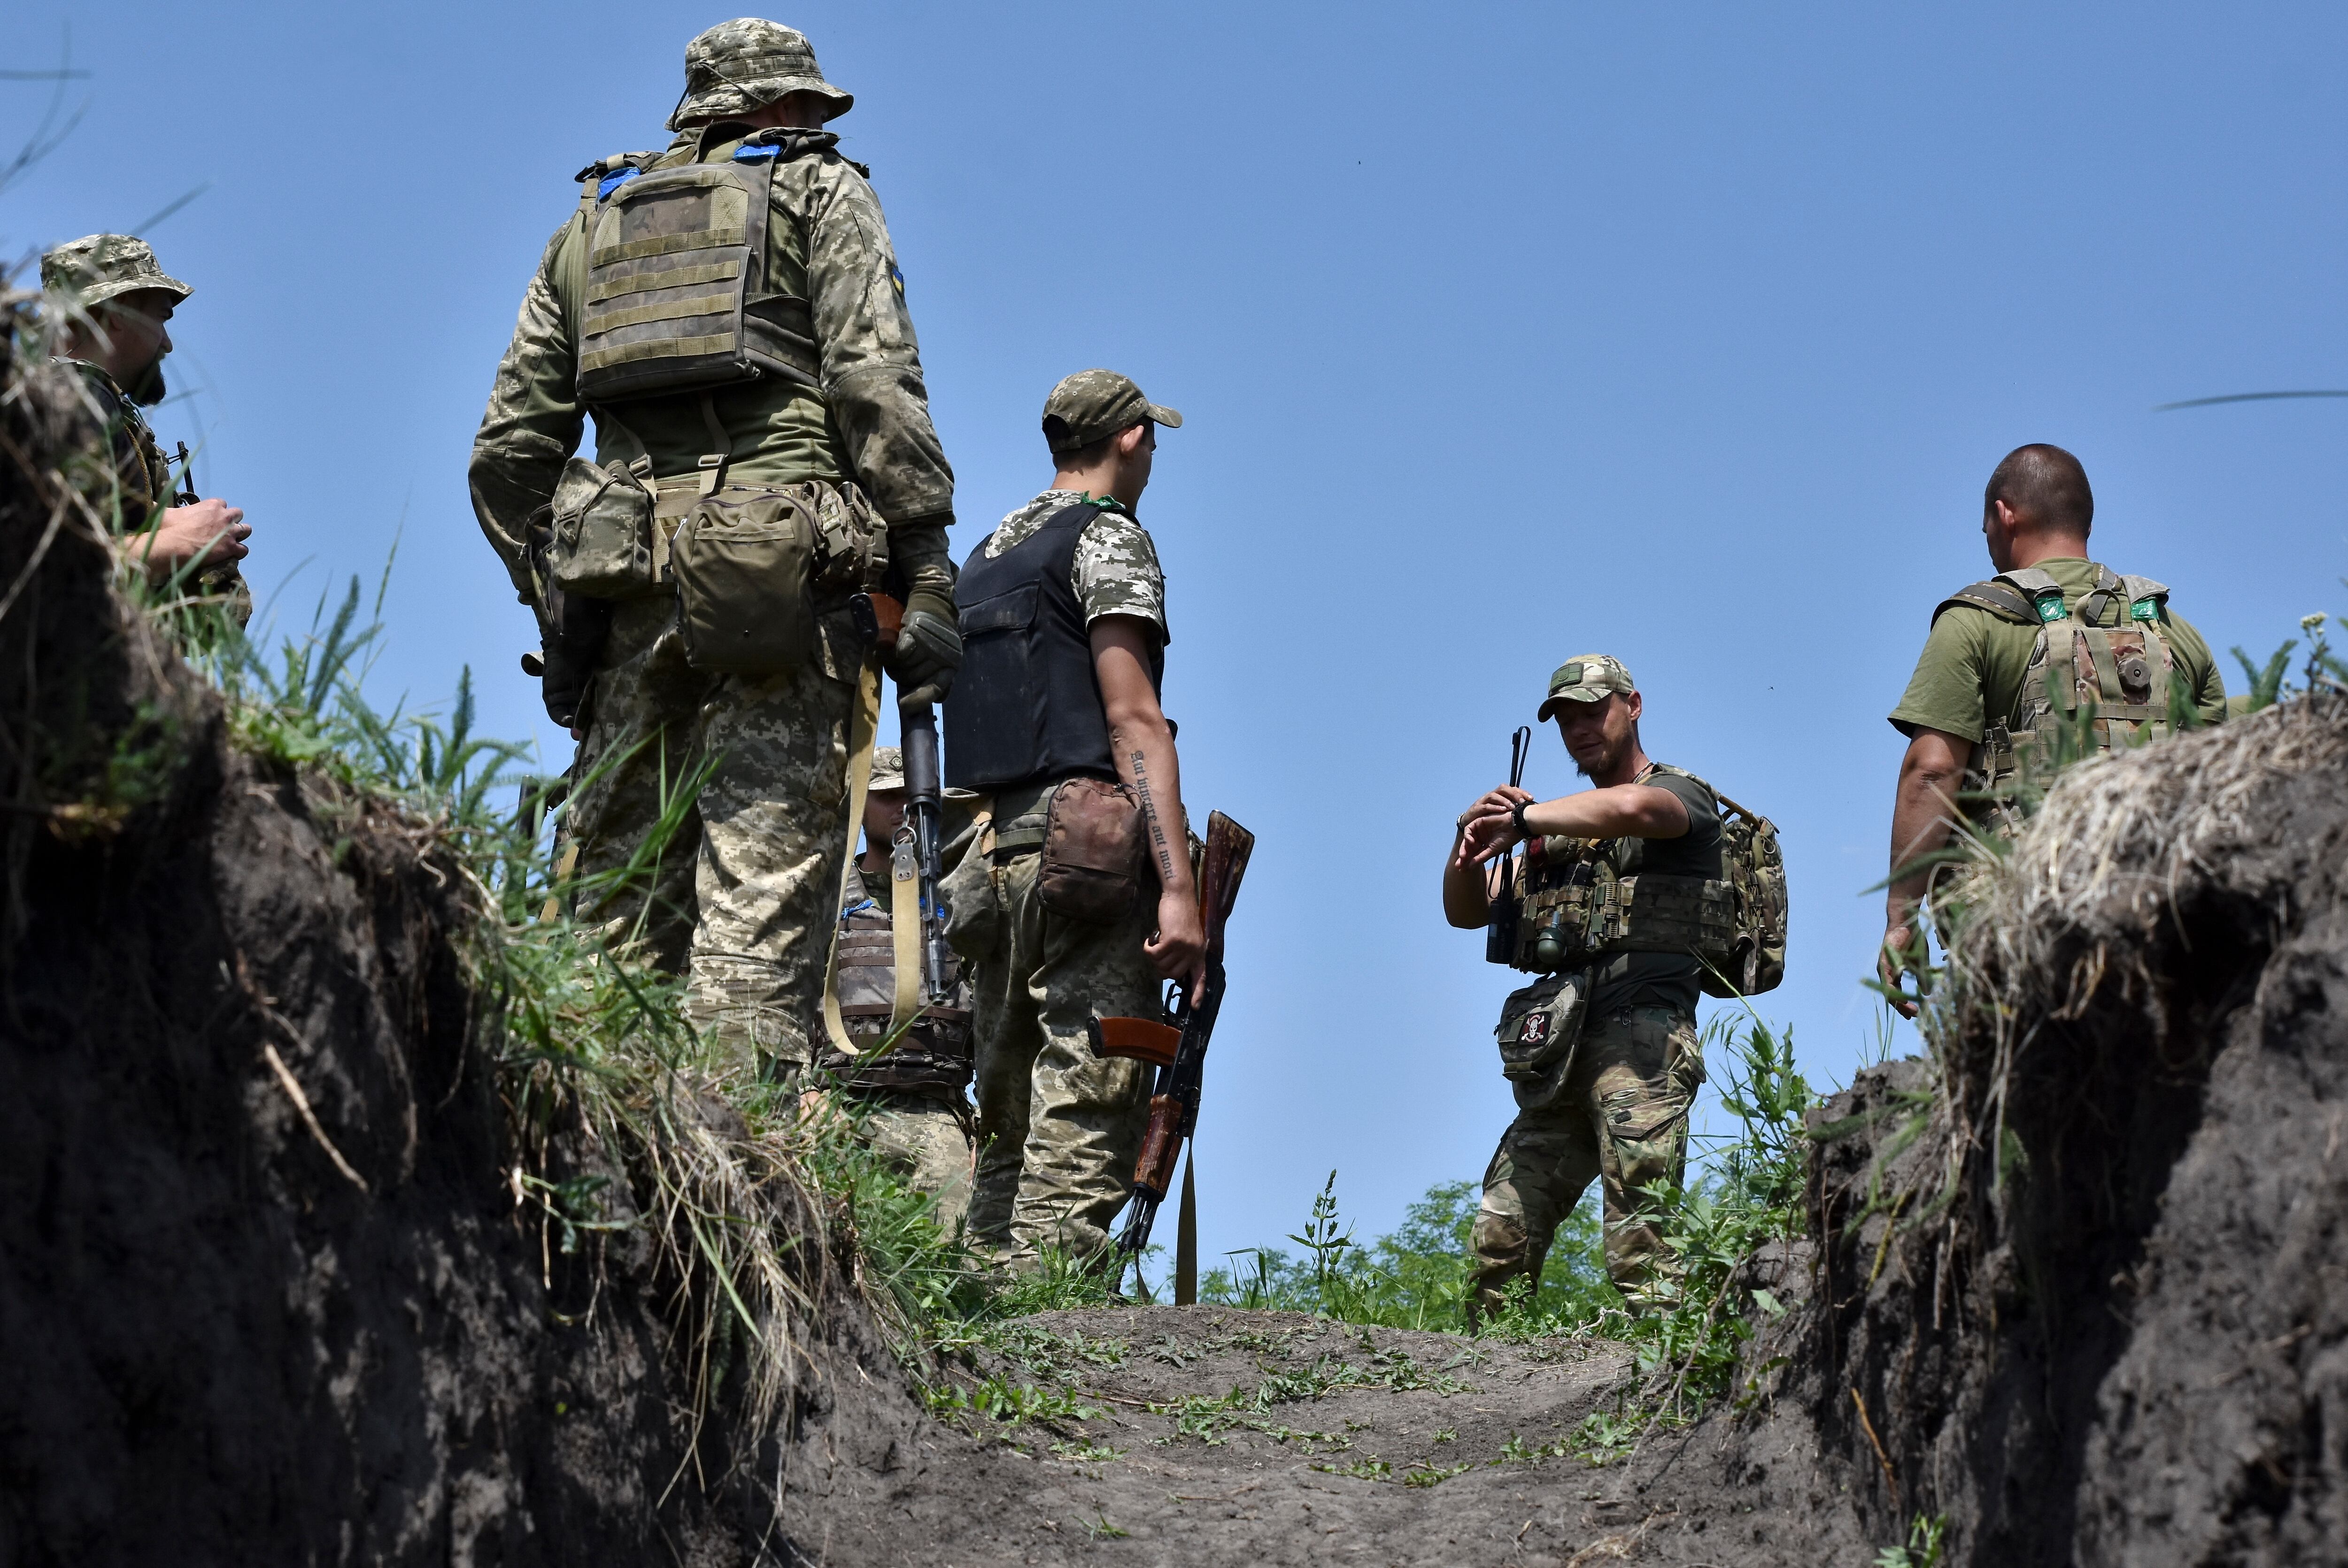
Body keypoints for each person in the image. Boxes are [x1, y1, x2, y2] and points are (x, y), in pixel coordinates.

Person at [468, 19, 961, 1077]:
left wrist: (557, 606)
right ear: (782, 107)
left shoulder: (592, 221)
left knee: (609, 905)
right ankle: (742, 1187)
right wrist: (923, 566)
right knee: (759, 885)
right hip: (781, 593)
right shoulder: (819, 191)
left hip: (625, 590)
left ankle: (590, 1144)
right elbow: (876, 387)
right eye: (810, 111)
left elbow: (510, 453)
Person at [940, 370, 1202, 1267]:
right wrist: (1178, 889)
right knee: (1088, 1089)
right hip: (1087, 855)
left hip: (991, 856)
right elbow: (1133, 719)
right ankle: (1051, 1316)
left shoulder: (984, 553)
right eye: (1152, 437)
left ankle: (980, 1304)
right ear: (1130, 437)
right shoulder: (1111, 540)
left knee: (1005, 1103)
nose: (1154, 452)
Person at [1877, 444, 2228, 1016]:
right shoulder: (2173, 632)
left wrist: (1900, 916)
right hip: (2159, 911)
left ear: (2005, 513)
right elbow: (2216, 777)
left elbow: (1933, 769)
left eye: (1985, 523)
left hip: (2020, 917)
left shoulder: (1977, 620)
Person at [1444, 656, 1718, 1319]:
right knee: (1501, 1230)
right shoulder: (1553, 835)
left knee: (1642, 1248)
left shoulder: (1681, 791)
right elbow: (1465, 908)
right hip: (1562, 1051)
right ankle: (1490, 1385)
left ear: (1634, 705)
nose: (1580, 728)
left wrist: (1532, 820)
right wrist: (1466, 840)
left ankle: (1671, 1387)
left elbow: (1632, 807)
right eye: (1566, 718)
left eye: (1593, 710)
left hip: (1643, 1048)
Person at [43, 234, 251, 618]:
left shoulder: (60, 399)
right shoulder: (75, 399)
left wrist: (164, 520)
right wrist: (184, 541)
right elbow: (49, 565)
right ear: (120, 313)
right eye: (162, 317)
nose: (167, 343)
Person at [814, 745, 977, 1228]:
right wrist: (803, 1094)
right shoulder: (824, 892)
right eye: (888, 796)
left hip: (937, 1118)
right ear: (859, 805)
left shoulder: (959, 899)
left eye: (915, 796)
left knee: (947, 1274)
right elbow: (789, 997)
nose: (903, 807)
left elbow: (994, 1017)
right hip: (839, 1108)